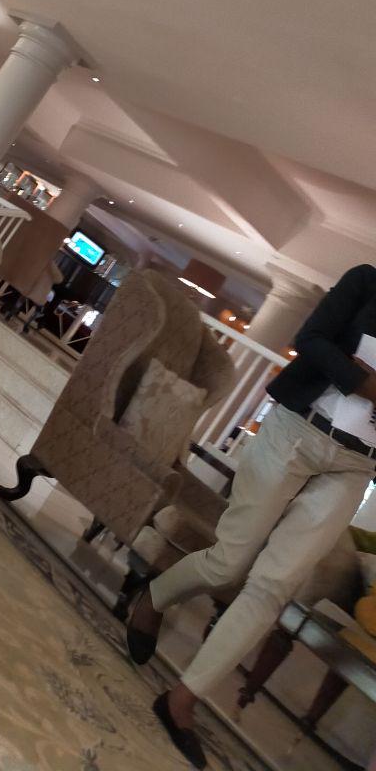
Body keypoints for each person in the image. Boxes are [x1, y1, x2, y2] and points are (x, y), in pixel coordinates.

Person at [127, 264, 376, 769]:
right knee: (229, 562)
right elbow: (311, 339)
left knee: (274, 586)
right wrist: (362, 382)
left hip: (356, 467)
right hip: (296, 432)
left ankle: (182, 700)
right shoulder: (367, 282)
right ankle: (154, 595)